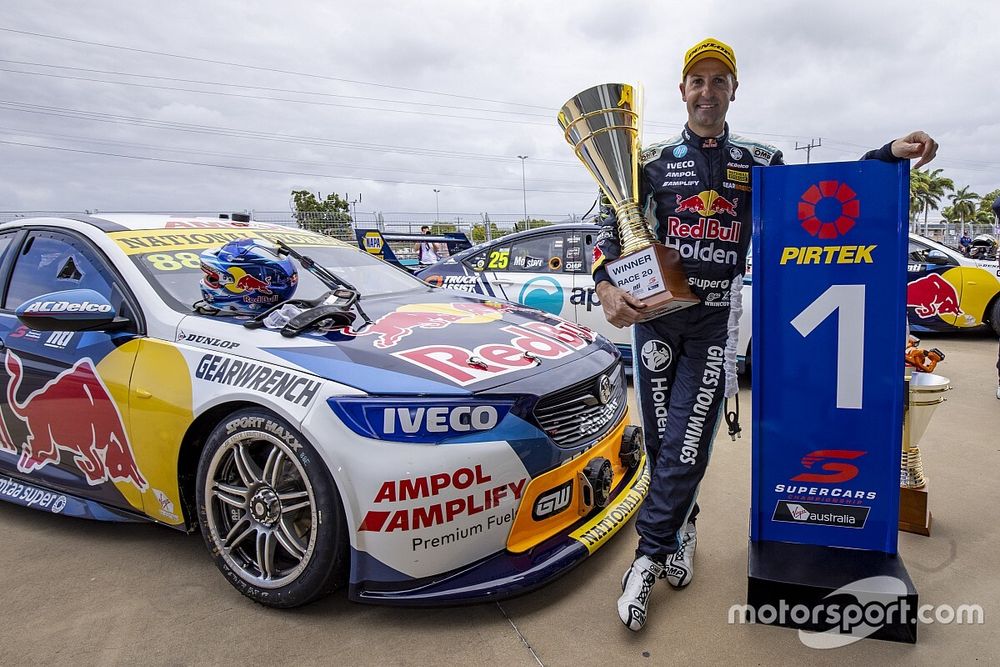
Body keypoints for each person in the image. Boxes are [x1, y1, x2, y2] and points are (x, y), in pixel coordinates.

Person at [597, 37, 939, 631]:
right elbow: (605, 222)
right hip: (655, 319)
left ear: (734, 90)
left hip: (714, 317)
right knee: (661, 445)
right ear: (682, 91)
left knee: (688, 441)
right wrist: (606, 285)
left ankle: (646, 558)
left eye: (719, 81)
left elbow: (823, 194)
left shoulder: (760, 159)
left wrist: (885, 155)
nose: (708, 92)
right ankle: (683, 526)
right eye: (697, 82)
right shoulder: (645, 161)